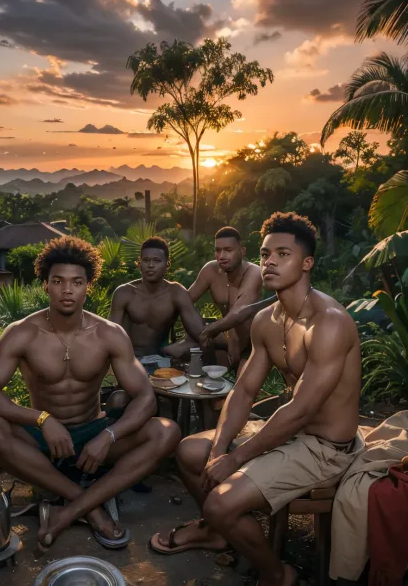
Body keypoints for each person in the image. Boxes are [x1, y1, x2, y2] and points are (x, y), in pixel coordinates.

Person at [150, 212, 363, 586]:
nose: (270, 263)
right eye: (266, 255)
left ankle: (277, 574)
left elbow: (302, 409)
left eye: (283, 254)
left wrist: (234, 458)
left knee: (220, 500)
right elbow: (245, 390)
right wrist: (219, 447)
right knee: (189, 452)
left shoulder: (329, 322)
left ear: (307, 262)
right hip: (287, 435)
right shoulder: (267, 319)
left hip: (326, 447)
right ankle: (216, 532)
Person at [0, 236, 181, 551]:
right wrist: (41, 419)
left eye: (76, 282)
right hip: (41, 441)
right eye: (58, 281)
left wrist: (108, 435)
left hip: (92, 439)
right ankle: (88, 506)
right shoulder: (22, 333)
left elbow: (146, 398)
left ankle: (67, 509)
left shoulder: (109, 334)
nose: (67, 290)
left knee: (167, 431)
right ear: (46, 285)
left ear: (88, 286)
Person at [167, 226, 265, 368]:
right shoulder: (210, 270)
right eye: (218, 250)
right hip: (226, 342)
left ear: (242, 251)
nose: (221, 256)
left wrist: (209, 331)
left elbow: (238, 313)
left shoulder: (254, 273)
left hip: (251, 346)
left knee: (237, 386)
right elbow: (184, 302)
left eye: (228, 250)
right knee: (171, 352)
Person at [109, 236, 204, 362]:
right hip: (128, 360)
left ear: (167, 264)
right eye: (146, 260)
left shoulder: (176, 292)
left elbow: (200, 334)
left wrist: (178, 347)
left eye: (157, 261)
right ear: (139, 263)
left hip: (162, 359)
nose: (151, 265)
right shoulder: (124, 293)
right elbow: (111, 336)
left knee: (204, 342)